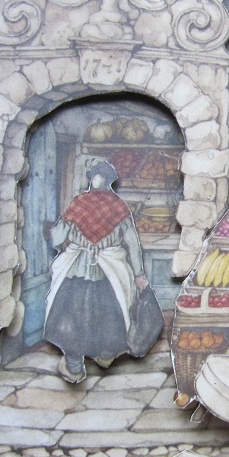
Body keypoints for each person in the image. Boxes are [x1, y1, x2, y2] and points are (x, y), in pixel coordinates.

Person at [44, 160, 152, 383]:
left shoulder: (78, 204)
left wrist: (61, 238)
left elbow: (56, 239)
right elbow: (132, 243)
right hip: (109, 270)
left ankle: (74, 365)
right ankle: (105, 354)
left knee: (71, 315)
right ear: (110, 181)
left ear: (91, 178)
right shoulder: (119, 206)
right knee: (111, 313)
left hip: (77, 270)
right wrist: (138, 273)